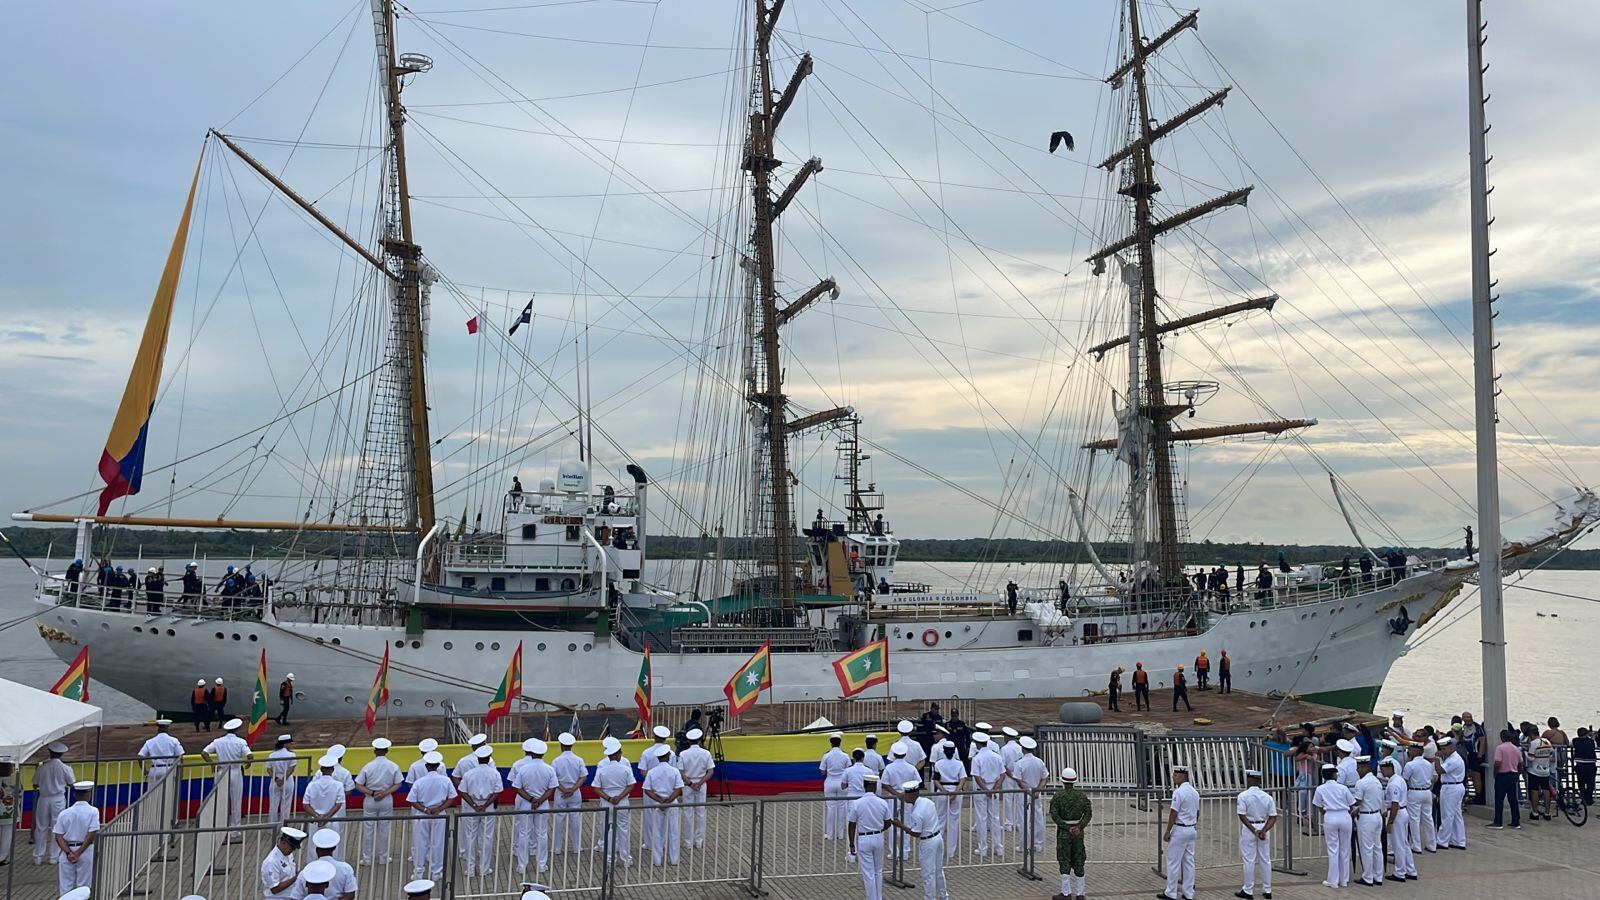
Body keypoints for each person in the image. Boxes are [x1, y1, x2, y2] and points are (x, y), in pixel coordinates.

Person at [509, 738, 558, 875]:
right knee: (541, 834)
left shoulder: (523, 768)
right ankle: (541, 864)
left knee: (524, 833)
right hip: (542, 804)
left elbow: (517, 787)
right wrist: (540, 800)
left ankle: (521, 865)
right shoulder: (549, 769)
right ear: (543, 753)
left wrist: (531, 799)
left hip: (526, 803)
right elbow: (552, 788)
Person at [407, 751, 457, 882]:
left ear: (426, 766)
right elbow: (452, 797)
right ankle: (436, 872)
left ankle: (418, 872)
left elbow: (412, 800)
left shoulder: (419, 782)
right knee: (438, 843)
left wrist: (425, 809)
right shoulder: (445, 780)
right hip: (439, 815)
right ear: (438, 765)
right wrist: (439, 809)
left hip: (422, 814)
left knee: (420, 843)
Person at [893, 780, 945, 900]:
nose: (904, 796)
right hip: (937, 837)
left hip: (928, 842)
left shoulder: (917, 812)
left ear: (912, 795)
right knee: (938, 871)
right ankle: (943, 896)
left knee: (928, 874)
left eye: (906, 794)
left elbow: (916, 833)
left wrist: (900, 825)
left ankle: (929, 898)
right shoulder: (927, 802)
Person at [356, 737, 403, 864]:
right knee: (385, 829)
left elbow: (358, 784)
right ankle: (384, 858)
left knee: (368, 829)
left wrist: (372, 793)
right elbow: (398, 783)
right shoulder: (393, 766)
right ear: (387, 750)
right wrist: (384, 793)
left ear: (374, 751)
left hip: (370, 800)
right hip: (386, 799)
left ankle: (367, 859)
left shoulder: (368, 766)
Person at [459, 743, 503, 877]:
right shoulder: (494, 773)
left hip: (471, 806)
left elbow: (463, 792)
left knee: (470, 836)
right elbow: (497, 792)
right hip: (487, 806)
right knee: (486, 837)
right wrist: (484, 805)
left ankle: (470, 869)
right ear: (489, 758)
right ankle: (484, 868)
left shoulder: (468, 774)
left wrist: (474, 805)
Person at [591, 737, 635, 866]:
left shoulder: (602, 768)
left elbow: (596, 788)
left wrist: (609, 798)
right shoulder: (625, 768)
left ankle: (610, 859)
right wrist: (620, 797)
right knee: (624, 830)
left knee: (609, 830)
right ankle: (626, 859)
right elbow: (631, 785)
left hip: (606, 802)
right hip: (622, 802)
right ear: (617, 754)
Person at [1234, 769, 1277, 900]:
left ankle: (1248, 889)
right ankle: (1267, 889)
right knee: (1265, 859)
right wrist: (1263, 831)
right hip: (1264, 825)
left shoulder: (1243, 796)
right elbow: (1273, 817)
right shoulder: (1267, 797)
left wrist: (1253, 830)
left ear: (1250, 780)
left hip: (1250, 827)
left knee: (1249, 860)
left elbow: (1242, 815)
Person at [847, 772, 891, 900]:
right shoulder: (882, 802)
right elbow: (888, 822)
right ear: (876, 785)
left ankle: (872, 898)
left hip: (864, 838)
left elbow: (852, 825)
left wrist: (851, 844)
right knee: (878, 871)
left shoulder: (857, 803)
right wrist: (879, 829)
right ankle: (878, 897)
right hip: (878, 836)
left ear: (863, 785)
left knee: (868, 873)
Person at [1049, 767, 1091, 900]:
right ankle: (1080, 893)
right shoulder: (1082, 796)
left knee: (1064, 860)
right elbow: (1088, 813)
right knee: (1079, 860)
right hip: (1078, 833)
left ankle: (1066, 892)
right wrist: (1079, 826)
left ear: (1062, 781)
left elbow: (1054, 815)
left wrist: (1067, 827)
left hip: (1064, 833)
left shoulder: (1058, 796)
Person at [30, 740, 75, 864]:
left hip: (43, 798)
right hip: (58, 799)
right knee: (57, 828)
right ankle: (53, 857)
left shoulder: (42, 768)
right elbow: (72, 783)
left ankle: (38, 856)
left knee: (41, 827)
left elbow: (34, 784)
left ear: (50, 752)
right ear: (61, 754)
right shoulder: (65, 768)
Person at [52, 781, 100, 896]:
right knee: (84, 886)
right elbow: (91, 834)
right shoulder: (93, 811)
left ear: (74, 795)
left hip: (66, 852)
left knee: (66, 887)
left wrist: (69, 853)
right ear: (89, 795)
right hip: (85, 851)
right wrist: (78, 853)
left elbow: (58, 836)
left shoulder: (64, 813)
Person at [641, 744, 684, 866]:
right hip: (672, 802)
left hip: (657, 803)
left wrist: (659, 799)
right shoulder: (674, 771)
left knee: (657, 831)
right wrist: (670, 799)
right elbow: (679, 788)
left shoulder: (651, 772)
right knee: (673, 832)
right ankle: (674, 859)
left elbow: (647, 790)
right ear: (668, 756)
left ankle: (657, 860)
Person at [1312, 763, 1354, 889]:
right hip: (1344, 816)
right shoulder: (1343, 788)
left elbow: (1318, 805)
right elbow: (1352, 803)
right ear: (1334, 774)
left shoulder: (1320, 789)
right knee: (1345, 849)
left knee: (1333, 849)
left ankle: (1333, 880)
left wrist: (1325, 812)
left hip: (1330, 816)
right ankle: (1344, 879)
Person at [1160, 765, 1199, 900]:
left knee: (1173, 862)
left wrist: (1168, 830)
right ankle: (1188, 893)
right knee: (1189, 862)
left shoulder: (1178, 792)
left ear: (1183, 776)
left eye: (1176, 775)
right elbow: (1197, 812)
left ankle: (1170, 892)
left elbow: (1173, 812)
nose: (1173, 777)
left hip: (1180, 829)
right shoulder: (1194, 792)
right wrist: (1193, 824)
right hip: (1191, 829)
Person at [969, 732, 1005, 857]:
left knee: (981, 818)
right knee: (995, 818)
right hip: (994, 788)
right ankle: (998, 847)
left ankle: (983, 848)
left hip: (982, 790)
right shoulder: (997, 757)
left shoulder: (977, 758)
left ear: (978, 744)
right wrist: (994, 789)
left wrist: (986, 790)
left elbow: (977, 776)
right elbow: (1002, 775)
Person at [550, 733, 586, 855]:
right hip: (575, 793)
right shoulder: (579, 759)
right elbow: (583, 776)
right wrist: (573, 789)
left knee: (559, 819)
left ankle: (557, 848)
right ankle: (576, 847)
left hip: (560, 793)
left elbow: (553, 778)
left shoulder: (556, 761)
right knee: (575, 819)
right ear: (572, 745)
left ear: (561, 745)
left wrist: (563, 789)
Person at [1380, 758, 1415, 883]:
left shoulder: (1394, 783)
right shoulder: (1398, 780)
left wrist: (1390, 822)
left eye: (1383, 769)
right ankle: (1411, 870)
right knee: (1404, 843)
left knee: (1398, 845)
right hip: (1401, 812)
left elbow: (1395, 804)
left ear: (1390, 768)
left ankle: (1400, 872)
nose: (1382, 772)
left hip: (1397, 814)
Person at [678, 728, 715, 848]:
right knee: (700, 812)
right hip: (701, 784)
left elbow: (681, 772)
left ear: (688, 741)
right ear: (699, 740)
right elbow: (710, 772)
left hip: (688, 785)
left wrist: (690, 783)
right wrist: (699, 783)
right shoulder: (706, 753)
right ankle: (698, 841)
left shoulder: (683, 754)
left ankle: (688, 841)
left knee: (688, 812)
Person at [303, 756, 348, 848]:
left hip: (315, 821)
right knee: (333, 850)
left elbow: (305, 804)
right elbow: (338, 804)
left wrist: (317, 816)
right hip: (331, 820)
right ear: (332, 770)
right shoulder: (338, 785)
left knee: (313, 850)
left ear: (321, 769)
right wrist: (327, 817)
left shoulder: (311, 785)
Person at [931, 741, 966, 858]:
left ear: (944, 751)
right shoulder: (959, 764)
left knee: (940, 820)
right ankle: (951, 851)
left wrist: (944, 791)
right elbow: (962, 779)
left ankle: (938, 849)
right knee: (954, 821)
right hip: (956, 790)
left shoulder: (938, 764)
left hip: (942, 790)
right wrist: (955, 792)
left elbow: (935, 780)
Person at [1012, 736, 1048, 852]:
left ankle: (1024, 845)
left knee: (1023, 820)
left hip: (1024, 794)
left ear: (1023, 748)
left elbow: (1019, 780)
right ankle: (1037, 844)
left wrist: (1029, 791)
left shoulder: (1020, 763)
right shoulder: (1039, 762)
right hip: (1036, 793)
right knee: (1037, 818)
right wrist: (1037, 791)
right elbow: (1044, 778)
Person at [298, 830, 358, 900]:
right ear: (334, 848)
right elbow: (350, 894)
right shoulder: (346, 868)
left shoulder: (307, 871)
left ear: (317, 850)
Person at [1352, 756, 1384, 887]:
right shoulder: (1376, 781)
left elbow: (1358, 802)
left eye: (1358, 768)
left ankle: (1368, 877)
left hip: (1366, 817)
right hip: (1377, 815)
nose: (1357, 771)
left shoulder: (1362, 783)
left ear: (1364, 767)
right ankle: (1378, 876)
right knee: (1377, 847)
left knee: (1366, 849)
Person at [1401, 742, 1437, 854]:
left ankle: (1416, 845)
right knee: (1428, 819)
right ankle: (1432, 845)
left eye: (1410, 750)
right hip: (1426, 791)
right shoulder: (1428, 764)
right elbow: (1431, 778)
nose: (1408, 752)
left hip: (1414, 791)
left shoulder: (1410, 765)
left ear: (1416, 751)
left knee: (1414, 819)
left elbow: (1405, 780)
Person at [1433, 737, 1467, 850]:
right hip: (1455, 786)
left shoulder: (1454, 760)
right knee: (1456, 815)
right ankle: (1459, 840)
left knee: (1447, 815)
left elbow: (1440, 771)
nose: (1443, 751)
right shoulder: (1451, 758)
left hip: (1451, 787)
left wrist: (1436, 759)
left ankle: (1442, 841)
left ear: (1451, 747)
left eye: (1444, 749)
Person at [137, 718, 184, 798]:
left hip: (155, 770)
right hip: (169, 769)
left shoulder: (150, 741)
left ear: (158, 728)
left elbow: (140, 756)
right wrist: (181, 773)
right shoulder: (174, 741)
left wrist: (144, 770)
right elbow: (180, 756)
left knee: (152, 795)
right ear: (167, 728)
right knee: (169, 794)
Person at [261, 825, 306, 900]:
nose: (293, 850)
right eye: (292, 847)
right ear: (283, 842)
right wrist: (296, 878)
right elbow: (274, 889)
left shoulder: (287, 853)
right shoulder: (271, 862)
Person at [820, 731, 851, 840]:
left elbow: (822, 772)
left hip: (830, 782)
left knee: (830, 808)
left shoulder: (826, 755)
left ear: (831, 743)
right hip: (842, 783)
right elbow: (849, 769)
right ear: (840, 743)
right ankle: (840, 834)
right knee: (842, 808)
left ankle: (829, 834)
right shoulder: (845, 755)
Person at [264, 734, 298, 824]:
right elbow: (291, 769)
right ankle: (284, 827)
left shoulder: (272, 755)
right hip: (287, 780)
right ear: (285, 744)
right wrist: (283, 780)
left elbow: (268, 769)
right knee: (286, 805)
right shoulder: (291, 754)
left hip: (275, 780)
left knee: (273, 805)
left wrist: (276, 779)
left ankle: (271, 827)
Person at [1525, 732, 1555, 821]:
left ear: (1531, 735)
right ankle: (1547, 813)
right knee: (1546, 790)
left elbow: (1531, 758)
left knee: (1534, 791)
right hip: (1545, 770)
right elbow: (1552, 753)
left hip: (1534, 770)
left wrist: (1525, 752)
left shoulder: (1533, 743)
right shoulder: (1547, 741)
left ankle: (1535, 812)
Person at [1459, 711, 1487, 803]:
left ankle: (1479, 796)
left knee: (1477, 775)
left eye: (1469, 717)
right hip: (1469, 755)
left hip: (1476, 754)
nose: (1468, 719)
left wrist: (1480, 755)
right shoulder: (1464, 728)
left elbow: (1482, 741)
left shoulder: (1477, 728)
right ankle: (1475, 794)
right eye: (1466, 718)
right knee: (1471, 774)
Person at [1573, 727, 1596, 807]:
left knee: (1581, 783)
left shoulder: (1575, 741)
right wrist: (1592, 736)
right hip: (1591, 764)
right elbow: (1595, 745)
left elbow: (1569, 744)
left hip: (1580, 764)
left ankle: (1584, 798)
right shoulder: (1591, 741)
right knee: (1590, 783)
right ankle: (1589, 799)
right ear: (1586, 734)